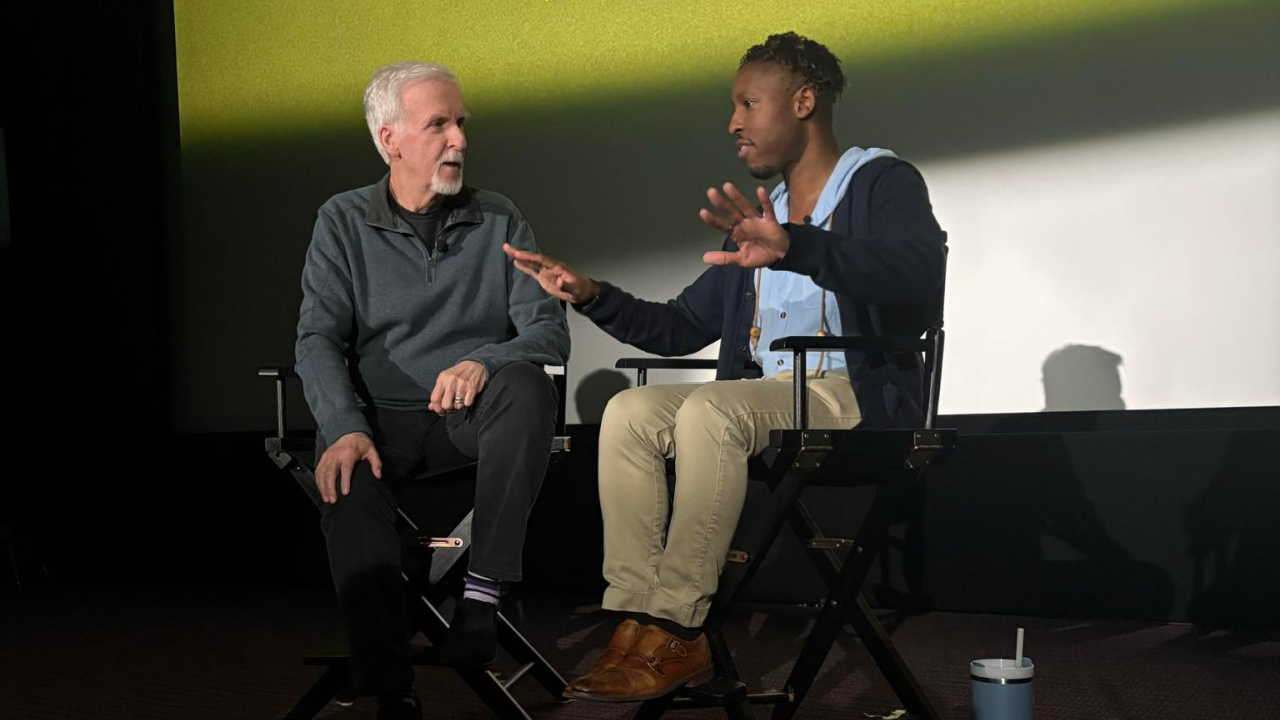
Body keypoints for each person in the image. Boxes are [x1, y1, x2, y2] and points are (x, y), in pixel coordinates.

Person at [504, 32, 946, 702]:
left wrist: (798, 247)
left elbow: (918, 271)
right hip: (773, 396)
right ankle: (638, 612)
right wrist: (590, 293)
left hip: (852, 397)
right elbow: (681, 325)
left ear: (804, 101)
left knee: (714, 408)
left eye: (748, 103)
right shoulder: (756, 219)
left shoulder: (879, 181)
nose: (732, 123)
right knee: (628, 410)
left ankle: (680, 629)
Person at [295, 61, 570, 719]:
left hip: (464, 422)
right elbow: (317, 340)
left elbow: (547, 330)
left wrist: (485, 359)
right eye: (438, 125)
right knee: (345, 475)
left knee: (527, 386)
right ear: (390, 139)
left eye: (461, 124)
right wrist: (345, 425)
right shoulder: (341, 221)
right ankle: (389, 685)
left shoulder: (500, 218)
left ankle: (482, 596)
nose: (460, 141)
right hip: (377, 423)